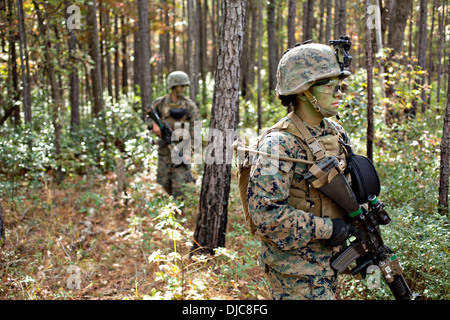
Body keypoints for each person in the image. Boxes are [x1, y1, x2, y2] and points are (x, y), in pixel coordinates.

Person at [247, 42, 358, 300]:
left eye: (340, 85)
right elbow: (265, 216)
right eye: (329, 85)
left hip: (329, 263)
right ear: (303, 91)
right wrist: (329, 228)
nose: (339, 92)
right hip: (295, 271)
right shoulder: (278, 144)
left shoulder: (335, 133)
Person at [146, 71, 199, 200]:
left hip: (181, 148)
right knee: (163, 181)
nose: (184, 89)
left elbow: (195, 130)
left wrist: (189, 151)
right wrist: (154, 125)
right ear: (173, 87)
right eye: (182, 86)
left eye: (185, 86)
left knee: (180, 185)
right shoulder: (160, 103)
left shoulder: (189, 106)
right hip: (165, 148)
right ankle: (173, 204)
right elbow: (148, 117)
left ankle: (178, 211)